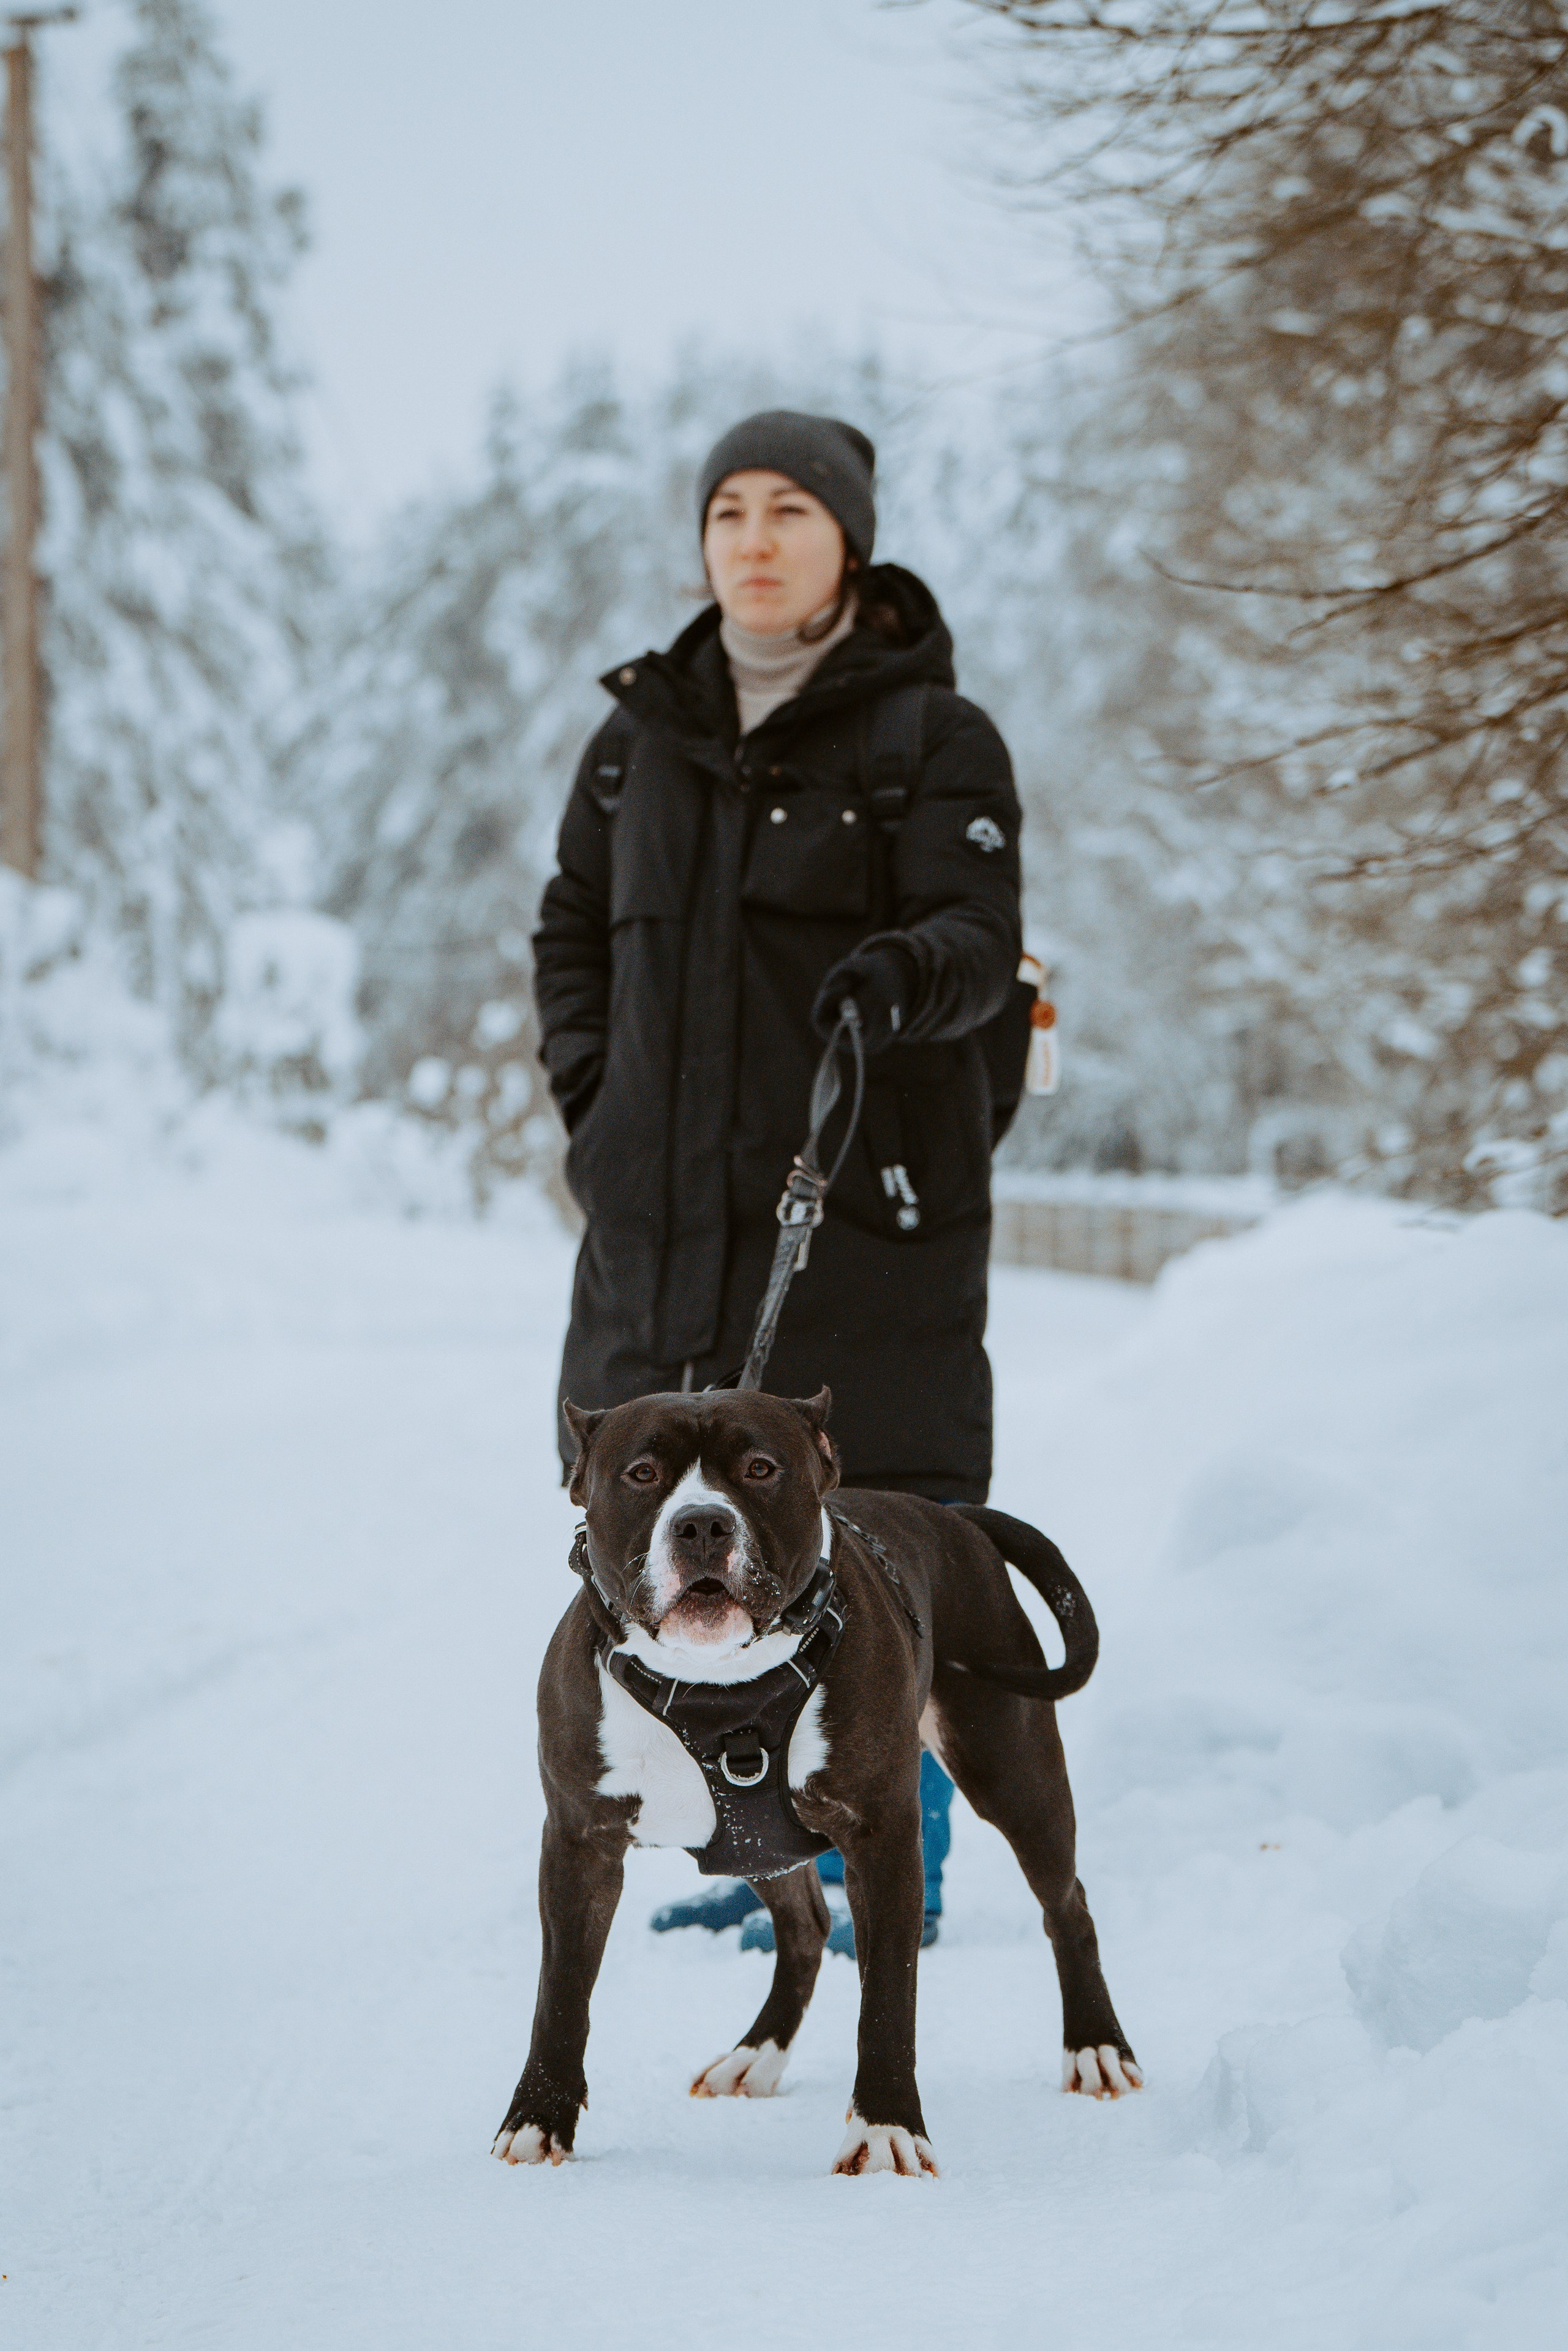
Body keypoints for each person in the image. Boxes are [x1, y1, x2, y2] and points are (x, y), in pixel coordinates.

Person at [532, 409, 1026, 1953]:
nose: (751, 539)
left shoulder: (930, 741)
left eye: (788, 511)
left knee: (878, 1534)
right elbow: (567, 933)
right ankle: (748, 1853)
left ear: (848, 544)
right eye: (726, 511)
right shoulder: (636, 748)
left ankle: (896, 1856)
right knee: (675, 1542)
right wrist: (595, 1110)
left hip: (856, 1224)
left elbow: (979, 947)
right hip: (661, 1224)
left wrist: (903, 974)